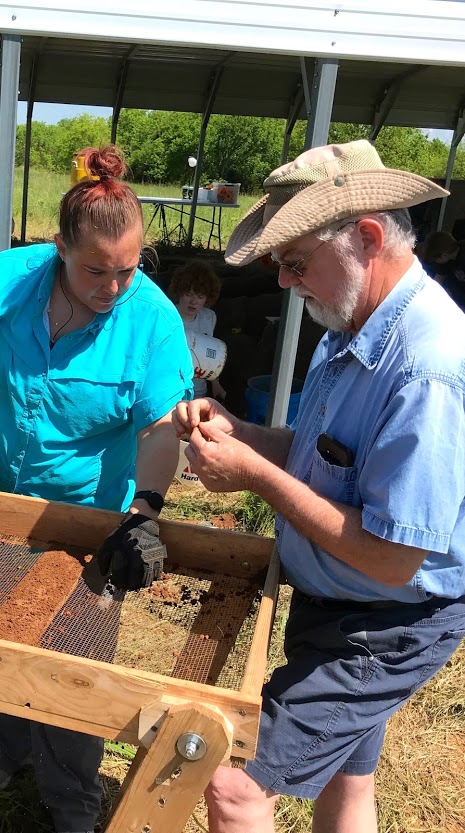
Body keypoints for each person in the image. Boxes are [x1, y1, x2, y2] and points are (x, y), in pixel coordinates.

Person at [173, 139, 465, 833]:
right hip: (345, 602)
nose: (282, 281)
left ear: (365, 237)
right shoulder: (353, 320)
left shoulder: (426, 367)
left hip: (386, 626)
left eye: (294, 261)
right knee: (347, 777)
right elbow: (319, 456)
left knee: (234, 785)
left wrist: (256, 478)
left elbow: (393, 558)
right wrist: (244, 432)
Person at [0, 145, 193, 833]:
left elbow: (161, 431)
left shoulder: (153, 320)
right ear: (58, 247)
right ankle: (9, 746)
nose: (112, 286)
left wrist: (144, 513)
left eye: (128, 269)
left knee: (75, 668)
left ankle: (71, 799)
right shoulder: (5, 282)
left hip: (88, 523)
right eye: (96, 270)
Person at [168, 259, 226, 400]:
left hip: (199, 391)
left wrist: (216, 384)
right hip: (171, 391)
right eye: (189, 294)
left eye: (200, 297)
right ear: (179, 292)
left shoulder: (209, 317)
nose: (193, 301)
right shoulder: (167, 318)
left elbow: (209, 355)